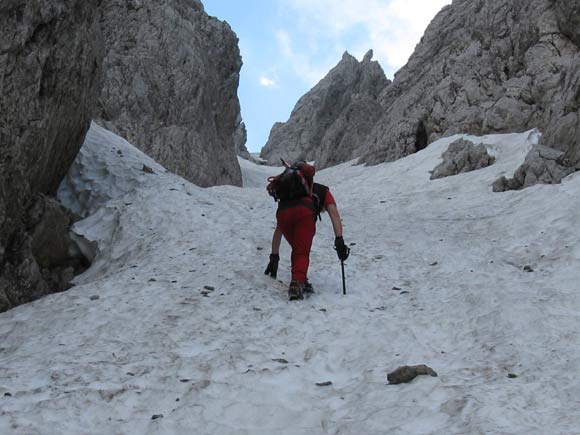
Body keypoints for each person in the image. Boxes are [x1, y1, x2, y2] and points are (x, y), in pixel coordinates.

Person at [264, 161, 350, 300]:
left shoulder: (290, 194)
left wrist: (274, 256)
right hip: (304, 214)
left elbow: (278, 231)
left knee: (298, 249)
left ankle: (301, 279)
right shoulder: (323, 191)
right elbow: (335, 215)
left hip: (282, 214)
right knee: (302, 251)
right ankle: (296, 284)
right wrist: (339, 240)